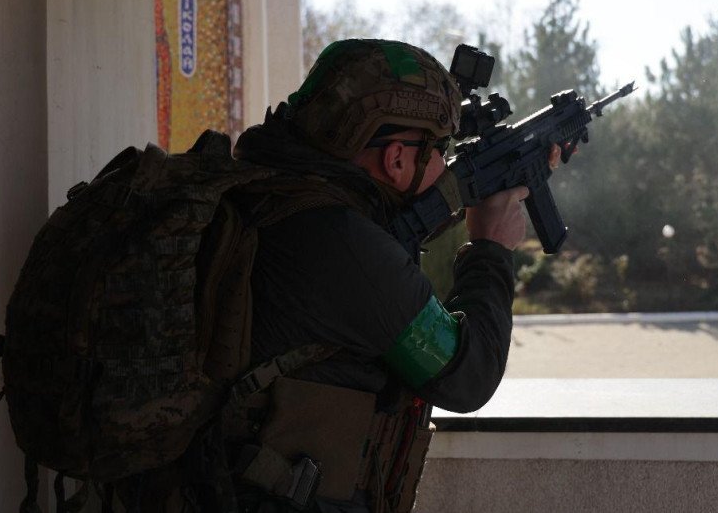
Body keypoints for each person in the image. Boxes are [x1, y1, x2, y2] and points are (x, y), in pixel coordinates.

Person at [227, 38, 542, 513]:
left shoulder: (269, 190)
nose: (443, 164)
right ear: (395, 159)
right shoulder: (344, 245)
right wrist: (491, 248)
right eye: (439, 149)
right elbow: (468, 377)